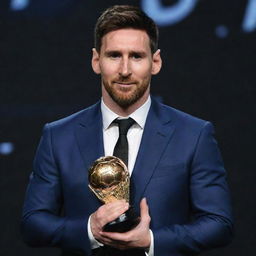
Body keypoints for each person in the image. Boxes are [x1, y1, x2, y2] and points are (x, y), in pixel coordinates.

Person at [21, 5, 233, 256]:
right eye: (114, 55)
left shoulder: (194, 135)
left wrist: (152, 240)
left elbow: (219, 224)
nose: (124, 70)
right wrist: (90, 230)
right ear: (96, 61)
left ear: (155, 62)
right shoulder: (58, 136)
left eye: (136, 56)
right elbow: (33, 224)